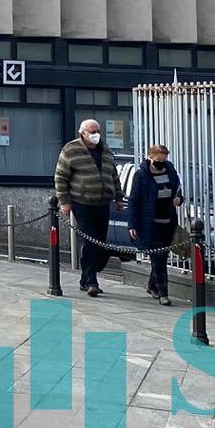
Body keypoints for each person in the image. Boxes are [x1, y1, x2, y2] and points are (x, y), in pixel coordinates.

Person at [54, 118, 121, 297]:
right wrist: (64, 201)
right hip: (82, 202)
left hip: (103, 202)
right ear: (82, 133)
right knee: (90, 241)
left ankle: (86, 278)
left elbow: (113, 175)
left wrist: (119, 197)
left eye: (98, 131)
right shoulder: (71, 150)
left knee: (100, 242)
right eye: (92, 132)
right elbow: (60, 177)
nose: (96, 135)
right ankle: (91, 281)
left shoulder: (105, 150)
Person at [126, 143, 185, 305]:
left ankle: (152, 285)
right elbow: (133, 200)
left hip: (168, 221)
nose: (161, 163)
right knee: (157, 257)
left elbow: (178, 190)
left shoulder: (170, 171)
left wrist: (179, 199)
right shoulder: (141, 175)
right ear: (150, 158)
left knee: (162, 257)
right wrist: (132, 224)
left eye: (163, 160)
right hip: (150, 223)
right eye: (158, 161)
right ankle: (163, 292)